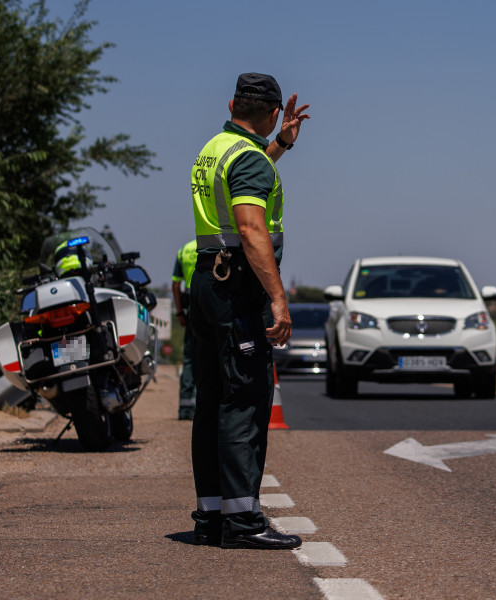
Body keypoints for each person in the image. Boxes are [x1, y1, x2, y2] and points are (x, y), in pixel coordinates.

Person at [189, 72, 309, 550]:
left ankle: (212, 518)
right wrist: (278, 299)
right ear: (275, 110)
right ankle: (243, 524)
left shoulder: (216, 147)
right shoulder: (249, 162)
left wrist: (280, 144)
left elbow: (244, 176)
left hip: (207, 283)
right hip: (238, 290)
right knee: (244, 402)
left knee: (213, 402)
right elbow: (251, 228)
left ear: (233, 103)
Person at [172, 239, 198, 420]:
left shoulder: (184, 250)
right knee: (207, 356)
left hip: (189, 306)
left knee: (189, 358)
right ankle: (200, 405)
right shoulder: (213, 245)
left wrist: (179, 312)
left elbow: (175, 285)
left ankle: (184, 409)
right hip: (207, 303)